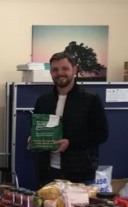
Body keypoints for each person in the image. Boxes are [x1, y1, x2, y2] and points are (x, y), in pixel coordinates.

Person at [32, 52, 109, 187]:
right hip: (48, 172)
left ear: (74, 69)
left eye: (65, 68)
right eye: (55, 69)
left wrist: (70, 142)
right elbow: (36, 128)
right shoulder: (43, 100)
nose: (60, 73)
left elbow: (101, 134)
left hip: (80, 172)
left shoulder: (90, 99)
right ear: (51, 72)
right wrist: (33, 139)